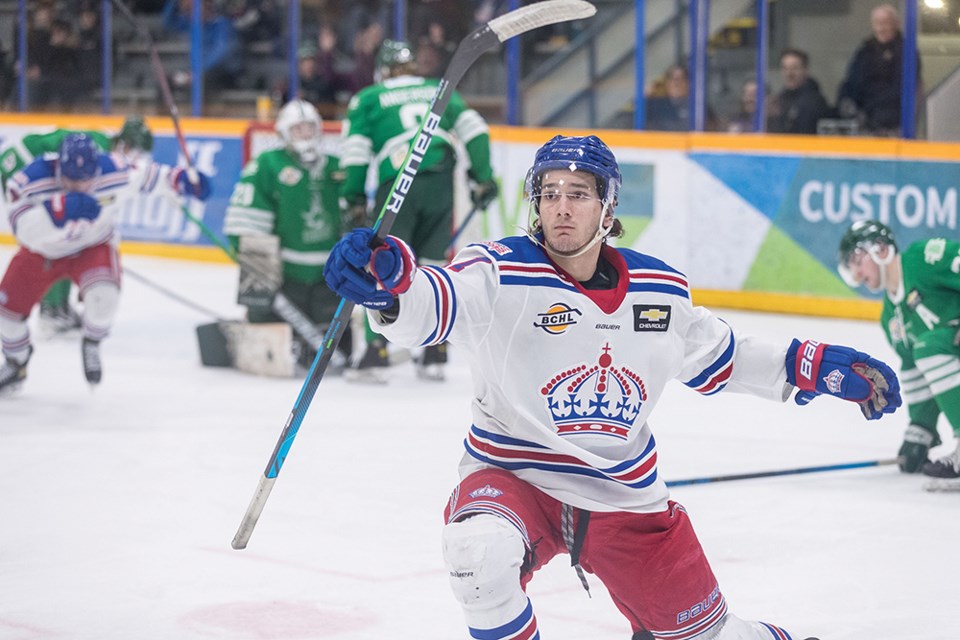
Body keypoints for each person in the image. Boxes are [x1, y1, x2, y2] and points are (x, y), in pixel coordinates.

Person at [324, 134, 900, 639]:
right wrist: (390, 285)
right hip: (515, 476)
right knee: (479, 556)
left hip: (624, 496)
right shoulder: (498, 270)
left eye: (578, 193)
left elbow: (724, 356)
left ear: (608, 206)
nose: (561, 208)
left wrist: (813, 365)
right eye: (548, 193)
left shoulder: (659, 289)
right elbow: (432, 302)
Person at [0, 133, 211, 395]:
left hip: (92, 246)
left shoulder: (115, 170)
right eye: (70, 179)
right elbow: (21, 229)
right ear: (58, 167)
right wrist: (55, 211)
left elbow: (153, 176)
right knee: (5, 314)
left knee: (105, 296)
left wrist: (183, 181)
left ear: (97, 169)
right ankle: (16, 362)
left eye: (85, 179)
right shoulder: (30, 179)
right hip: (41, 253)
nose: (78, 186)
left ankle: (91, 342)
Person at [339, 38, 498, 383]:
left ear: (383, 70)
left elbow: (355, 149)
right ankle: (435, 350)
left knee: (384, 262)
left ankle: (374, 351)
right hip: (441, 173)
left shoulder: (368, 97)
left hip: (397, 179)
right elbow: (475, 129)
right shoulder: (436, 88)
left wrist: (351, 197)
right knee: (434, 260)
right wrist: (483, 178)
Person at [223, 99, 351, 370]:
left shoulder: (338, 167)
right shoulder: (268, 164)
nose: (305, 134)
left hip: (330, 277)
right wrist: (258, 270)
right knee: (265, 322)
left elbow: (355, 217)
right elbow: (245, 219)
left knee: (342, 343)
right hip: (285, 276)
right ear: (283, 133)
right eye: (297, 129)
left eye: (309, 128)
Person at [0, 117, 155, 334]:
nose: (136, 157)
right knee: (57, 242)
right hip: (17, 166)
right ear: (125, 143)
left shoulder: (103, 148)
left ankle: (56, 306)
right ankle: (52, 310)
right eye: (136, 151)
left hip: (22, 162)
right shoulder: (98, 152)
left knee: (66, 239)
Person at [837, 220, 960, 486]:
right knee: (922, 351)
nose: (856, 272)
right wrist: (921, 429)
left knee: (929, 346)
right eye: (850, 266)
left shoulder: (924, 257)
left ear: (881, 249)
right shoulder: (890, 319)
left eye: (857, 260)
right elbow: (915, 370)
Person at [836, 4, 920, 136]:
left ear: (896, 24)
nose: (881, 28)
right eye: (877, 23)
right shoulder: (865, 50)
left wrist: (873, 108)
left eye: (885, 23)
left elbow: (903, 87)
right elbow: (852, 80)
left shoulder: (906, 51)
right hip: (862, 123)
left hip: (892, 124)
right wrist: (846, 101)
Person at [767, 48, 831, 135]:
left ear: (805, 71)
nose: (789, 74)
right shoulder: (778, 101)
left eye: (794, 68)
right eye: (785, 68)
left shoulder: (815, 102)